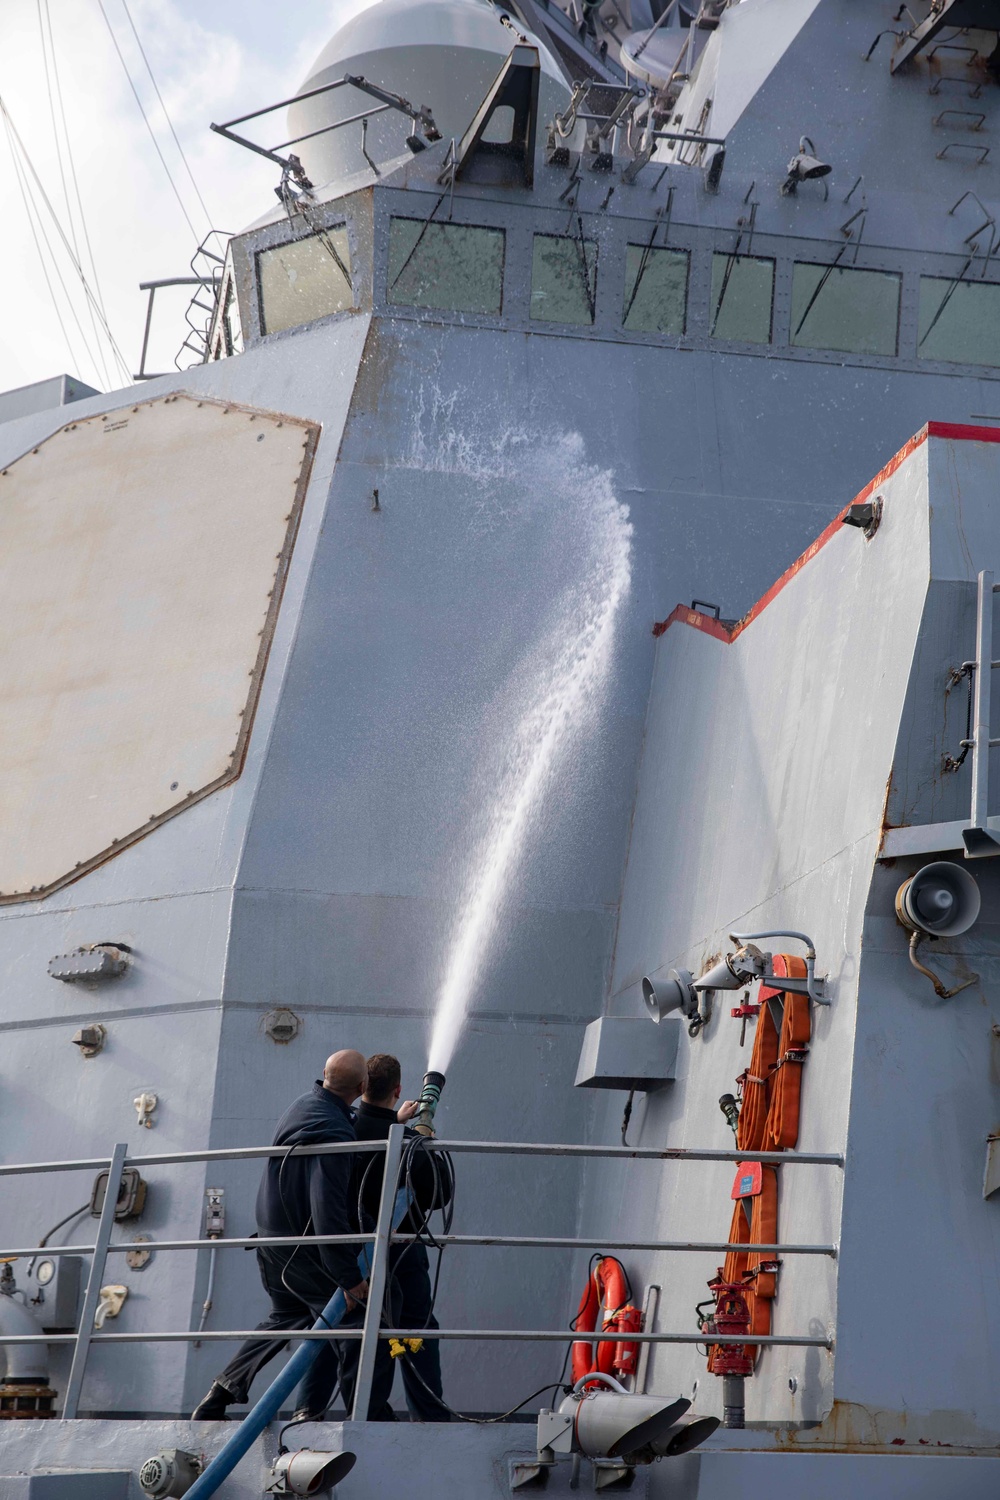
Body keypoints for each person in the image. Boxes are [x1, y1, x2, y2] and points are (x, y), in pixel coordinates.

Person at [191, 1049, 388, 1421]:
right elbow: (326, 1213)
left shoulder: (304, 1107)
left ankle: (220, 1393)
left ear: (324, 1074)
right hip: (302, 1248)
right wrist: (350, 1278)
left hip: (272, 1241)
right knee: (354, 1322)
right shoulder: (333, 1134)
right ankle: (366, 1416)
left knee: (287, 1316)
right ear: (363, 1088)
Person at [349, 1053, 451, 1422]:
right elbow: (439, 1196)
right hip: (403, 1253)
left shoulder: (343, 1129)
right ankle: (429, 1415)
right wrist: (426, 1146)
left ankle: (368, 1413)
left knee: (358, 1333)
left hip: (350, 1260)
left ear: (361, 1088)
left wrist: (400, 1125)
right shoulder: (409, 1143)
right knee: (416, 1329)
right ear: (398, 1090)